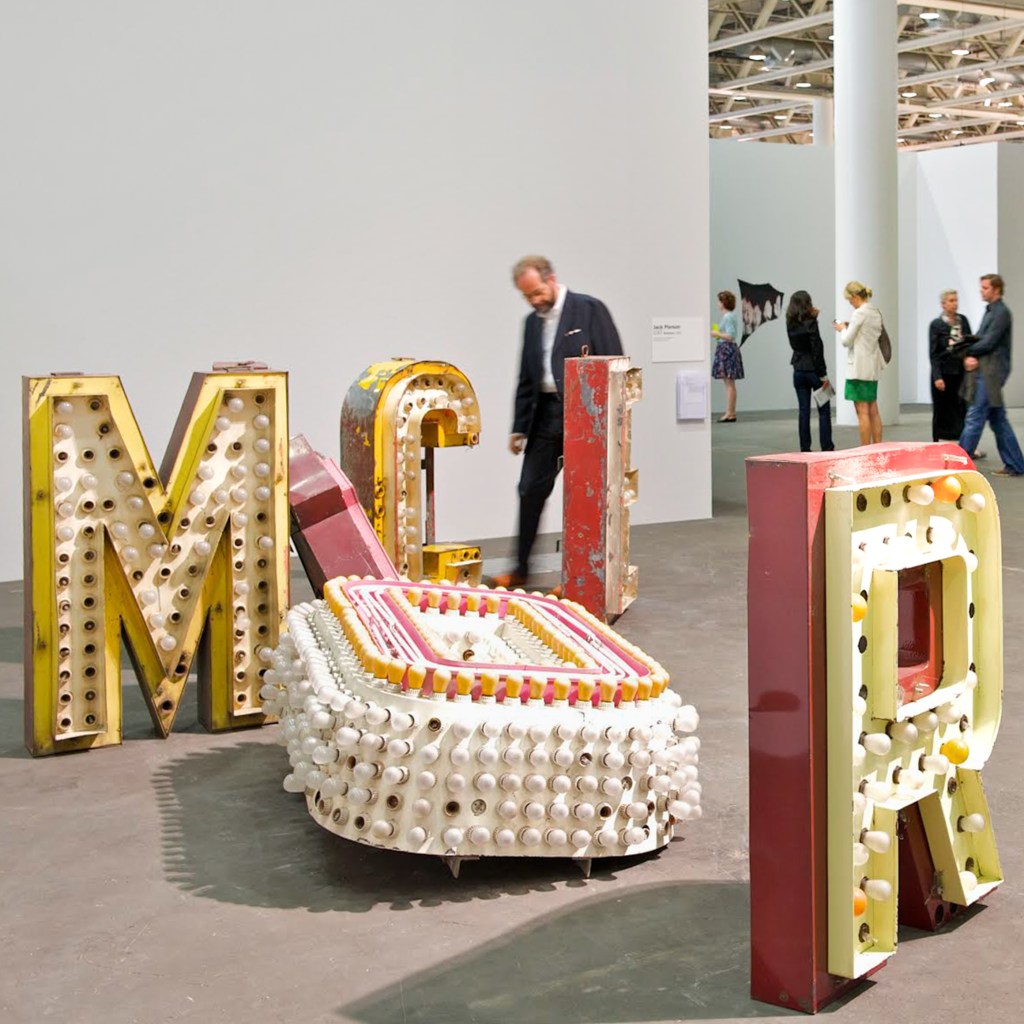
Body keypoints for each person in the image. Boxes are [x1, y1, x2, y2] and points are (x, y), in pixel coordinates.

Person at [494, 255, 623, 589]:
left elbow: (614, 362)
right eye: (527, 296)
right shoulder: (531, 322)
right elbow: (527, 377)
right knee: (529, 490)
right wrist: (519, 427)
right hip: (545, 415)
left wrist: (612, 420)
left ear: (551, 279)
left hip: (584, 415)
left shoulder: (589, 309)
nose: (534, 301)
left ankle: (580, 579)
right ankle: (521, 569)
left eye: (537, 292)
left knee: (584, 495)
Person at [958, 273, 1024, 477]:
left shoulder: (1000, 312)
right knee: (998, 420)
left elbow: (988, 342)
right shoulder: (991, 312)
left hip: (992, 372)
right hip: (989, 369)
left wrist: (968, 352)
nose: (982, 291)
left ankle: (958, 465)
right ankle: (1016, 464)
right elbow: (982, 339)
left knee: (975, 416)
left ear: (996, 289)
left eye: (985, 288)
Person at [834, 281, 885, 445]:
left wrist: (842, 329)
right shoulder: (875, 312)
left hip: (858, 368)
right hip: (872, 368)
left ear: (855, 296)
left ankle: (864, 450)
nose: (850, 303)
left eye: (850, 300)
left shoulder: (859, 313)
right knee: (873, 410)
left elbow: (847, 341)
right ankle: (877, 447)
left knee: (862, 411)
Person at [785, 290, 834, 452]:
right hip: (814, 371)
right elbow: (816, 349)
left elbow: (798, 343)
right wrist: (823, 374)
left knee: (803, 411)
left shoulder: (790, 323)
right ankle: (827, 447)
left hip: (798, 369)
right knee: (824, 410)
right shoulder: (811, 323)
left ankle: (805, 448)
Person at [929, 289, 972, 444]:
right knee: (942, 408)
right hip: (943, 373)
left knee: (961, 407)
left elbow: (969, 343)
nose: (955, 303)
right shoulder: (936, 324)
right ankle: (938, 442)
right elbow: (933, 353)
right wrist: (937, 376)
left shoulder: (963, 321)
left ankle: (965, 444)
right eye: (951, 300)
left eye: (956, 300)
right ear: (943, 304)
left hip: (960, 372)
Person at [711, 290, 743, 422]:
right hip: (729, 349)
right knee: (730, 383)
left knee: (729, 383)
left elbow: (730, 335)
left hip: (727, 350)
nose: (718, 304)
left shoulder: (727, 317)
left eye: (719, 301)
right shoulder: (732, 315)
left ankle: (729, 413)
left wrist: (716, 333)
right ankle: (731, 412)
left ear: (723, 303)